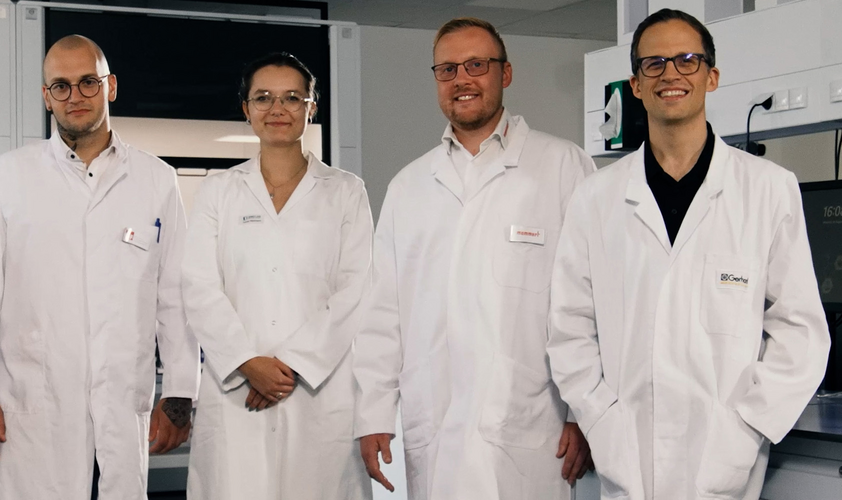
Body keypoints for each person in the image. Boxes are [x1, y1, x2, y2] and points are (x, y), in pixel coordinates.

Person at [548, 9, 830, 499]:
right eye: (654, 63)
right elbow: (569, 328)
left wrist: (745, 428)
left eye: (687, 60)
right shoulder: (595, 198)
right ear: (636, 85)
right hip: (626, 457)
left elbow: (800, 332)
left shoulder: (767, 189)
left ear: (711, 77)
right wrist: (602, 419)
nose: (670, 74)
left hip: (725, 459)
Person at [0, 35, 199, 499]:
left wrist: (180, 390)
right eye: (60, 86)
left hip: (122, 397)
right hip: (31, 401)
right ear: (47, 97)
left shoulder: (156, 180)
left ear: (111, 86)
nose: (75, 96)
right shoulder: (7, 176)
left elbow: (175, 295)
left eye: (88, 82)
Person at [353, 17, 596, 499]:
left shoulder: (564, 167)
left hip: (534, 424)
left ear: (506, 73)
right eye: (447, 69)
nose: (461, 79)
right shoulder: (409, 186)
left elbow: (592, 299)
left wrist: (582, 412)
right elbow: (383, 313)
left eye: (476, 65)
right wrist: (374, 413)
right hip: (435, 422)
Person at [182, 52, 373, 500]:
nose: (277, 109)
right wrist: (247, 362)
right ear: (246, 109)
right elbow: (198, 285)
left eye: (292, 98)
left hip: (317, 389)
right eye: (263, 97)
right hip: (237, 388)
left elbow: (357, 289)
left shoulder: (345, 191)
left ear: (311, 107)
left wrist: (291, 367)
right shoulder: (218, 190)